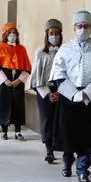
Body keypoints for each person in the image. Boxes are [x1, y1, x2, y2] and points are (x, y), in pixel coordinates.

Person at [49, 11, 91, 182]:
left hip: (89, 98)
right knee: (68, 134)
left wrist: (87, 92)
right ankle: (67, 163)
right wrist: (72, 93)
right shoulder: (65, 49)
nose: (82, 29)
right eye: (79, 26)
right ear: (74, 28)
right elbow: (58, 74)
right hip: (69, 97)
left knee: (86, 137)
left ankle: (83, 170)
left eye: (86, 26)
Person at [0, 22, 32, 140]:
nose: (13, 35)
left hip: (18, 81)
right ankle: (4, 130)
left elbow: (27, 68)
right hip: (4, 81)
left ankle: (18, 131)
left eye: (15, 33)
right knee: (4, 105)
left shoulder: (21, 49)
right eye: (10, 33)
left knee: (18, 106)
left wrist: (19, 80)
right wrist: (5, 80)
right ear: (6, 35)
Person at [29, 19, 63, 163]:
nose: (54, 36)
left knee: (60, 120)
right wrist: (48, 93)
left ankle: (61, 146)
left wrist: (60, 92)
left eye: (56, 34)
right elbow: (36, 76)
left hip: (62, 90)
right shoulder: (40, 53)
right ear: (46, 35)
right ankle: (49, 150)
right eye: (51, 33)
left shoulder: (65, 51)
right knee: (47, 120)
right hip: (44, 90)